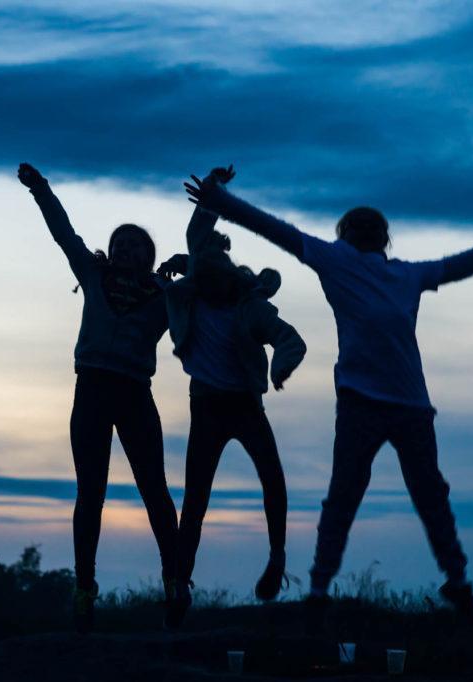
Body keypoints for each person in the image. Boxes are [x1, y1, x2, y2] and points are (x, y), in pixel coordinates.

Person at [186, 175, 473, 631]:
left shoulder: (407, 275)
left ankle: (457, 582)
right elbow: (275, 229)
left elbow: (463, 264)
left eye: (372, 224)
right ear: (343, 236)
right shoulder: (335, 262)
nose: (365, 228)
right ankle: (318, 590)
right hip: (359, 401)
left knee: (431, 495)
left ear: (385, 238)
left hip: (412, 405)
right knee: (343, 495)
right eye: (355, 225)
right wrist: (220, 202)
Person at [18, 162, 179, 634]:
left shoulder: (166, 295)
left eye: (137, 246)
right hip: (91, 388)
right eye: (120, 244)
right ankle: (84, 589)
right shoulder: (92, 272)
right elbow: (62, 233)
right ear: (111, 251)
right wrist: (40, 189)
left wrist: (194, 258)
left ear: (150, 256)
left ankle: (174, 581)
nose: (127, 250)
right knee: (91, 493)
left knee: (155, 490)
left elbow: (215, 283)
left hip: (134, 393)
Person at [159, 166, 306, 628]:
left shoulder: (251, 309)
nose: (211, 285)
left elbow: (291, 339)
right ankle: (181, 584)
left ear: (231, 279)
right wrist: (213, 191)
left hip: (245, 405)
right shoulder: (192, 296)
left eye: (218, 278)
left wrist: (280, 368)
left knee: (272, 477)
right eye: (204, 278)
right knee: (196, 498)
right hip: (205, 406)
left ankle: (277, 555)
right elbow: (198, 230)